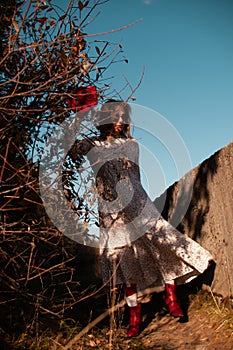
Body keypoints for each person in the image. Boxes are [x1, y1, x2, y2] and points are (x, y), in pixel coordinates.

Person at [68, 100, 214, 337]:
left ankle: (171, 294)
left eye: (123, 117)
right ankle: (134, 316)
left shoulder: (131, 144)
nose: (119, 122)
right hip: (109, 209)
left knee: (161, 241)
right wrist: (79, 116)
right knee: (122, 259)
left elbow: (131, 175)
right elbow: (72, 150)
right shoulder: (91, 144)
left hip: (136, 199)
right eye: (115, 116)